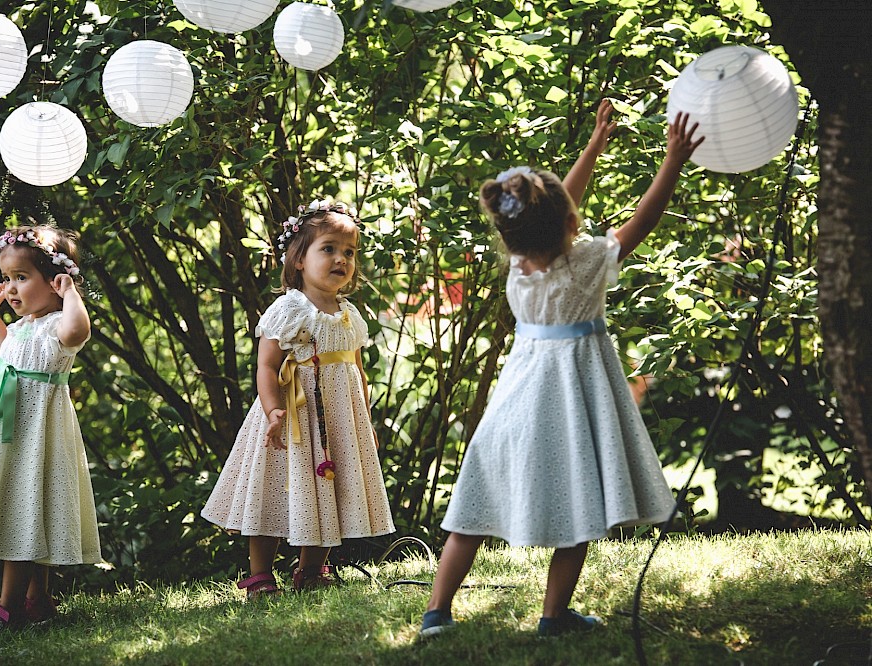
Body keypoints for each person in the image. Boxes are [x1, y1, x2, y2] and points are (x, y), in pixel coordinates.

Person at [419, 102, 704, 638]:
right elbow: (645, 217)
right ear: (570, 223)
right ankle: (553, 617)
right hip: (576, 393)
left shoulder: (519, 267)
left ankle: (437, 611)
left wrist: (593, 147)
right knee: (580, 498)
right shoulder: (588, 260)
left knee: (474, 502)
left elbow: (551, 213)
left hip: (520, 393)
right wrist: (673, 160)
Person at [202, 200, 395, 597]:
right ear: (299, 258)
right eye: (329, 248)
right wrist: (273, 410)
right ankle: (260, 573)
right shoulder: (291, 308)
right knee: (274, 487)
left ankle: (311, 569)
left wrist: (366, 422)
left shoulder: (349, 314)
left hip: (339, 419)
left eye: (350, 252)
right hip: (292, 417)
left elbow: (356, 370)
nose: (341, 258)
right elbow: (267, 366)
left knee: (329, 485)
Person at [0, 225, 101, 632]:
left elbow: (79, 331)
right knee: (30, 510)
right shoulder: (24, 328)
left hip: (38, 435)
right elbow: (4, 349)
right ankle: (37, 600)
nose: (10, 288)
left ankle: (7, 609)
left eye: (21, 278)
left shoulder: (60, 324)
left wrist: (72, 294)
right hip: (9, 435)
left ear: (55, 281)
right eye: (7, 279)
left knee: (24, 510)